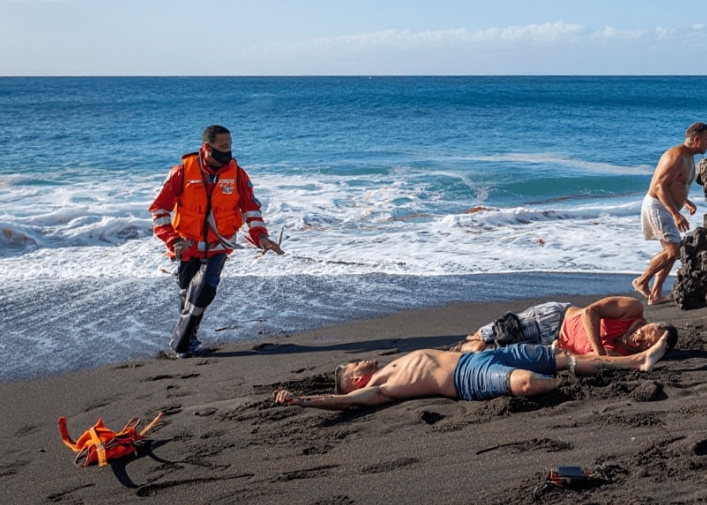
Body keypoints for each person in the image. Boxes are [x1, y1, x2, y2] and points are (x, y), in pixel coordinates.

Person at [150, 124, 284, 358]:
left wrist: (260, 236)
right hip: (187, 247)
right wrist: (173, 239)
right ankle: (189, 341)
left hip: (219, 245)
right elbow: (159, 209)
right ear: (206, 147)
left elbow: (250, 208)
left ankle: (180, 344)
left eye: (230, 146)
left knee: (204, 289)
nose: (228, 151)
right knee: (187, 295)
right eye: (223, 146)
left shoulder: (237, 173)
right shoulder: (182, 172)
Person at [271, 339, 671, 411]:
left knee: (562, 357)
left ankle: (637, 362)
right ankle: (564, 387)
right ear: (355, 380)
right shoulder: (379, 388)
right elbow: (342, 402)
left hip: (482, 356)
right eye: (354, 367)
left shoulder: (389, 365)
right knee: (530, 384)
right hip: (468, 381)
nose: (361, 363)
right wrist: (302, 400)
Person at [633, 122, 707, 305]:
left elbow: (675, 184)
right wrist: (676, 214)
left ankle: (655, 295)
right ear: (697, 139)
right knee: (674, 250)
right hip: (657, 207)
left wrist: (686, 201)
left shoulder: (688, 156)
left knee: (672, 251)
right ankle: (641, 280)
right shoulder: (676, 156)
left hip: (666, 207)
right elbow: (660, 186)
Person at [456, 296, 678, 355]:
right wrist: (599, 352)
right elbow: (592, 311)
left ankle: (458, 350)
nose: (639, 338)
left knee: (484, 352)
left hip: (553, 348)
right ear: (650, 323)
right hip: (557, 319)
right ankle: (461, 343)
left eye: (645, 344)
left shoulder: (624, 354)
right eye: (645, 332)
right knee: (494, 333)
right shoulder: (631, 309)